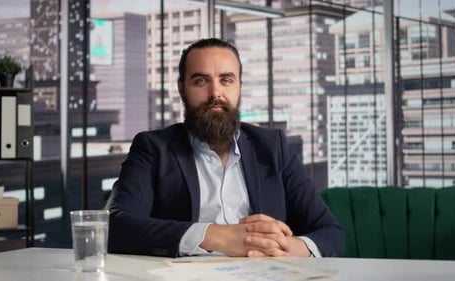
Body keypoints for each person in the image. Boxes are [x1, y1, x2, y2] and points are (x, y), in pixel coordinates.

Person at [107, 38, 344, 258]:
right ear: (181, 88)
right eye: (201, 81)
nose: (215, 93)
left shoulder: (274, 146)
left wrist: (285, 247)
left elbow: (330, 233)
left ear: (239, 86)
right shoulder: (153, 148)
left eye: (226, 80)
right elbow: (117, 225)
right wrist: (213, 236)